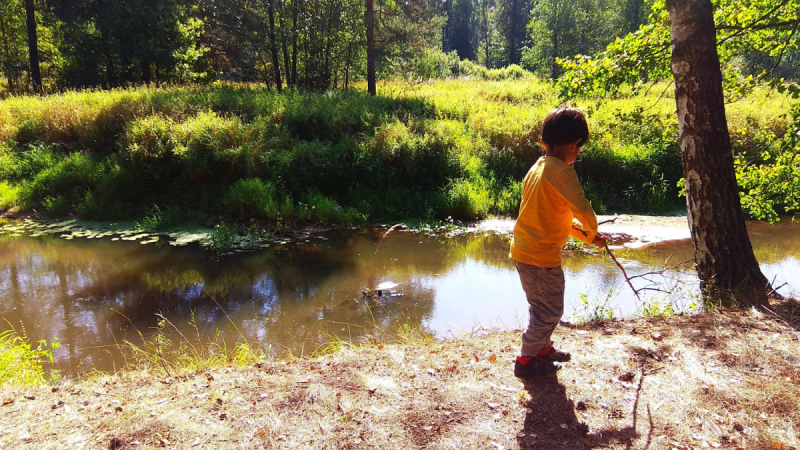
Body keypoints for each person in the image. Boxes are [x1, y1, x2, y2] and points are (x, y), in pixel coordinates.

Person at [509, 107, 607, 378]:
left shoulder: (537, 169)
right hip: (541, 257)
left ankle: (544, 350)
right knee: (550, 310)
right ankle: (526, 359)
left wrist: (589, 237)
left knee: (541, 306)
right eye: (579, 149)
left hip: (523, 251)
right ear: (576, 145)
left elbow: (555, 218)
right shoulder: (563, 172)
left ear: (544, 142)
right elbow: (582, 209)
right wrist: (592, 227)